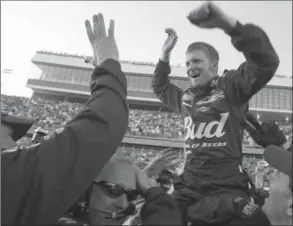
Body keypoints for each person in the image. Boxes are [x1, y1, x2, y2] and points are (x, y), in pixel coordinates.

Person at [152, 1, 279, 224]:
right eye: (188, 62)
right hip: (187, 191)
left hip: (228, 192)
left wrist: (230, 26)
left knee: (255, 218)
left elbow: (265, 62)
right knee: (154, 216)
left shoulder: (230, 87)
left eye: (197, 61)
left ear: (214, 65)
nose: (190, 66)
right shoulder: (185, 97)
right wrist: (164, 55)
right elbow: (160, 86)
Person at [1, 13, 129, 225]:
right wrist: (109, 62)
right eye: (8, 134)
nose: (14, 144)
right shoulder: (6, 173)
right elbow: (104, 120)